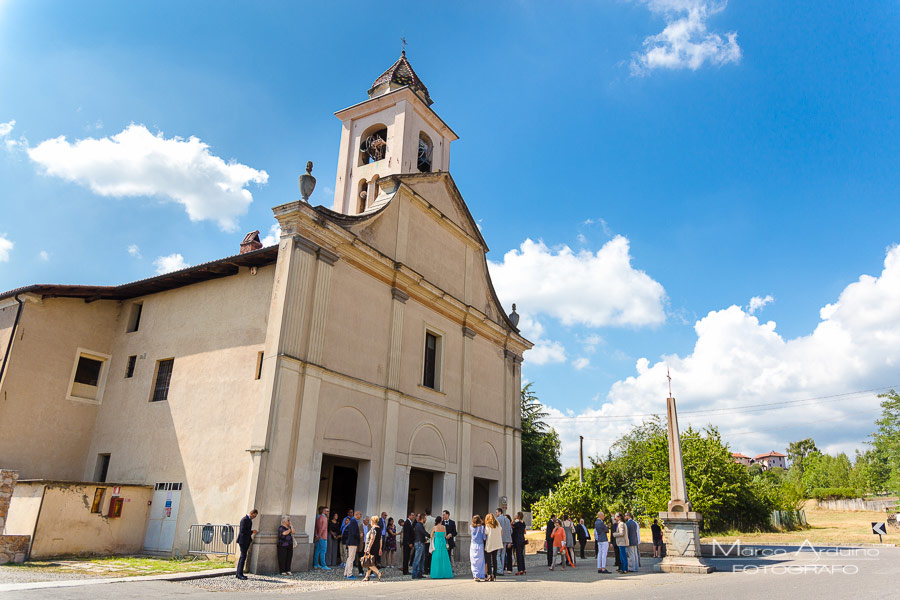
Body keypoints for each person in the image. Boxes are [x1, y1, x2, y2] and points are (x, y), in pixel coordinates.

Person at [235, 508, 258, 580]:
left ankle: (239, 573)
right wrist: (252, 532)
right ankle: (239, 574)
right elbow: (243, 530)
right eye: (254, 516)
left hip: (246, 540)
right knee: (243, 557)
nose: (254, 517)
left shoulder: (249, 520)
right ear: (251, 513)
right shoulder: (244, 520)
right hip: (243, 541)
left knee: (243, 557)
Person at [361, 514, 383, 582]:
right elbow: (380, 539)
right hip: (376, 547)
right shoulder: (379, 529)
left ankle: (378, 573)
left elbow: (372, 538)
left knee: (369, 562)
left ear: (372, 521)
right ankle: (367, 577)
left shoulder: (373, 529)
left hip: (371, 547)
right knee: (370, 562)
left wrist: (368, 548)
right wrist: (380, 548)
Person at [342, 510, 361, 579]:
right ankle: (349, 574)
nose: (360, 516)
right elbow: (353, 533)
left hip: (351, 542)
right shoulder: (354, 522)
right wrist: (359, 535)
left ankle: (346, 573)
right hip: (353, 542)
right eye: (360, 514)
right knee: (351, 558)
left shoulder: (353, 521)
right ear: (356, 515)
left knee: (349, 558)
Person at [484, 512, 502, 581]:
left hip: (490, 544)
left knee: (488, 560)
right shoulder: (498, 525)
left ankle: (489, 574)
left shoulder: (488, 526)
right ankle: (494, 575)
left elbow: (486, 533)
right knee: (494, 559)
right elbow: (501, 532)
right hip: (496, 544)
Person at [411, 513, 428, 579]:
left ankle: (419, 573)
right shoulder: (419, 525)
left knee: (421, 559)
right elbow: (424, 532)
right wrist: (430, 535)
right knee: (417, 559)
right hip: (419, 543)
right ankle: (414, 573)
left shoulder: (420, 525)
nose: (426, 520)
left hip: (421, 542)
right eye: (425, 518)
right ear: (423, 518)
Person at [496, 508, 512, 575]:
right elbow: (510, 530)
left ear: (500, 512)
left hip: (499, 539)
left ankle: (499, 570)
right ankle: (502, 569)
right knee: (503, 554)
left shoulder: (497, 520)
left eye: (496, 512)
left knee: (498, 555)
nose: (496, 513)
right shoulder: (508, 520)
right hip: (506, 539)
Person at [469, 515, 486, 581]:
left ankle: (475, 574)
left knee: (473, 560)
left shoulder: (471, 527)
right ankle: (481, 574)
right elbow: (484, 537)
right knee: (480, 560)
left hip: (473, 545)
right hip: (480, 545)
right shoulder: (482, 528)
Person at [511, 511, 527, 576]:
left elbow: (511, 525)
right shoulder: (523, 523)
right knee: (521, 554)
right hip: (522, 539)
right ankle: (523, 569)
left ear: (518, 516)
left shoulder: (517, 524)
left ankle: (520, 569)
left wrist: (513, 519)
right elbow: (525, 531)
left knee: (518, 555)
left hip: (517, 540)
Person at [423, 509, 435, 574]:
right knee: (431, 554)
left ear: (425, 513)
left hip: (426, 539)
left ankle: (425, 569)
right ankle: (430, 568)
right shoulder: (434, 519)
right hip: (432, 538)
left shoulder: (425, 519)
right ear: (431, 512)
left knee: (425, 555)